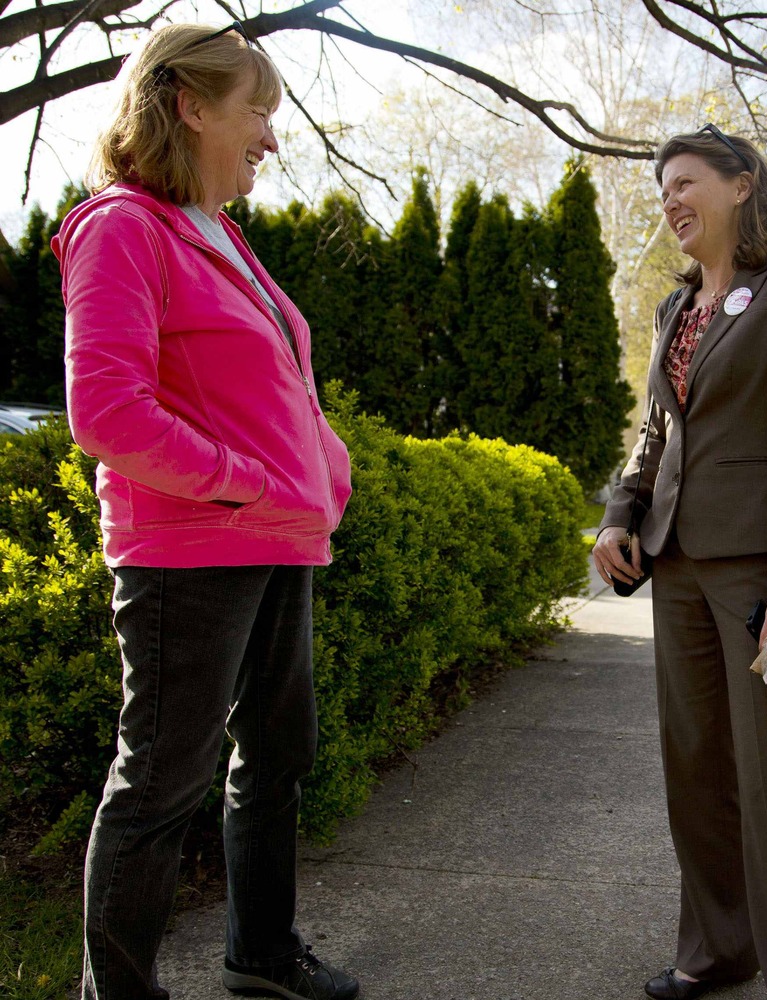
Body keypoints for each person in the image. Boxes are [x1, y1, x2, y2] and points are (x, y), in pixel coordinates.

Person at [52, 22, 358, 1000]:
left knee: (277, 754)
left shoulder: (217, 233)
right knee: (159, 785)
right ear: (190, 106)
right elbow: (106, 412)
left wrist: (324, 468)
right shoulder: (123, 226)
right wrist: (248, 478)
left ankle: (260, 952)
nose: (272, 136)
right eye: (257, 111)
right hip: (187, 549)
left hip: (275, 540)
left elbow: (277, 389)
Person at [592, 125, 767, 1000]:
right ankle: (715, 953)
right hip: (675, 565)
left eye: (685, 181)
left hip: (757, 570)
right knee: (694, 769)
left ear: (741, 186)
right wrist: (619, 514)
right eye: (662, 187)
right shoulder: (675, 309)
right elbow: (654, 431)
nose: (670, 199)